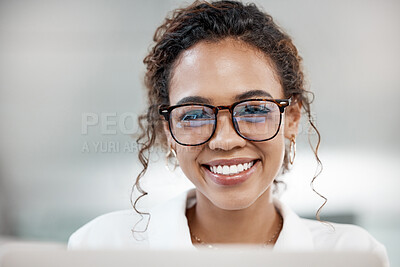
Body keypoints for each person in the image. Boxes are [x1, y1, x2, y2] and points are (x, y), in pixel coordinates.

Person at [68, 0, 388, 264]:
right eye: (194, 115)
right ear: (168, 130)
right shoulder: (101, 248)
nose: (224, 141)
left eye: (252, 110)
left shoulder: (353, 256)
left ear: (291, 118)